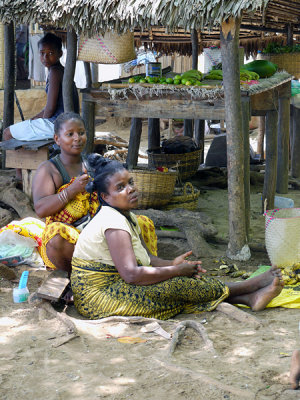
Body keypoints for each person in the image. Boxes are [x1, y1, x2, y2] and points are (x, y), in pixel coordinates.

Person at [70, 154, 285, 320]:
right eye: (121, 188)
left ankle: (249, 298)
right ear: (105, 197)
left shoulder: (126, 216)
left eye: (130, 182)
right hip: (98, 298)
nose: (131, 189)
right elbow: (132, 275)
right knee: (177, 286)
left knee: (181, 281)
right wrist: (174, 271)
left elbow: (148, 259)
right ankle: (248, 287)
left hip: (115, 285)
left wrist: (173, 264)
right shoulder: (112, 223)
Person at [32, 112, 157, 278]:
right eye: (70, 134)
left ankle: (138, 270)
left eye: (81, 133)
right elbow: (40, 209)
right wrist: (70, 191)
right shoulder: (48, 169)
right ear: (57, 139)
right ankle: (72, 277)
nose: (77, 138)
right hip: (71, 231)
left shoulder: (93, 163)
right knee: (57, 236)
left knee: (141, 223)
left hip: (97, 227)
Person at [3, 32, 79, 143]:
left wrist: (35, 122)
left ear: (60, 54)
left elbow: (50, 109)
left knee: (7, 133)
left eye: (50, 53)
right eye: (42, 53)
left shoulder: (55, 73)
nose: (45, 57)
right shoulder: (61, 70)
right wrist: (33, 119)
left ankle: (18, 160)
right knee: (25, 127)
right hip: (65, 122)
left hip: (56, 124)